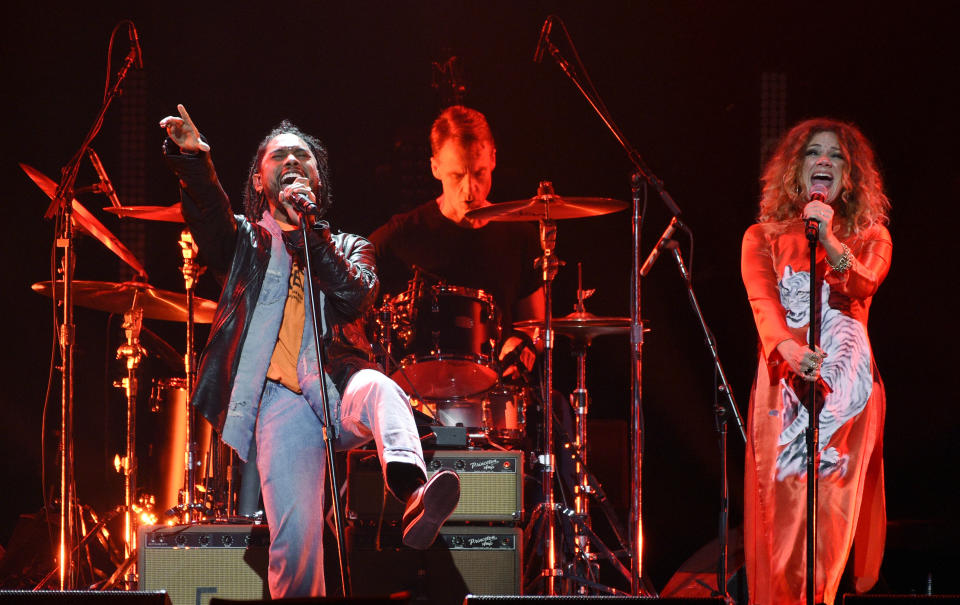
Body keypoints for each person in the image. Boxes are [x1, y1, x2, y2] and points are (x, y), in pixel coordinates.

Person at [159, 104, 460, 598]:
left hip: (340, 381)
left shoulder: (347, 243)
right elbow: (210, 217)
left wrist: (312, 234)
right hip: (281, 402)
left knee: (384, 391)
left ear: (317, 183)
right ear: (259, 181)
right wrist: (195, 161)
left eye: (303, 156)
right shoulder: (244, 243)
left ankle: (414, 493)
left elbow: (355, 295)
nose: (292, 160)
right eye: (278, 156)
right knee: (295, 544)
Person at [741, 118, 891, 605]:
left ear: (850, 177)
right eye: (812, 153)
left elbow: (862, 284)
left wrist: (827, 239)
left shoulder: (872, 235)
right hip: (783, 392)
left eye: (836, 155)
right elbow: (764, 304)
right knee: (782, 531)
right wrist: (787, 350)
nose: (824, 160)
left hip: (846, 397)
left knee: (830, 524)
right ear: (795, 170)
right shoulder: (760, 236)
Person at [369, 105, 545, 385]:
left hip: (498, 402)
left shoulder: (519, 235)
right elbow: (346, 280)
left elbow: (536, 325)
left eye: (479, 173)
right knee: (448, 429)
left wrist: (522, 342)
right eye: (456, 176)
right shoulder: (403, 234)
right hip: (424, 402)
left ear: (494, 159)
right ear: (435, 167)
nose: (469, 190)